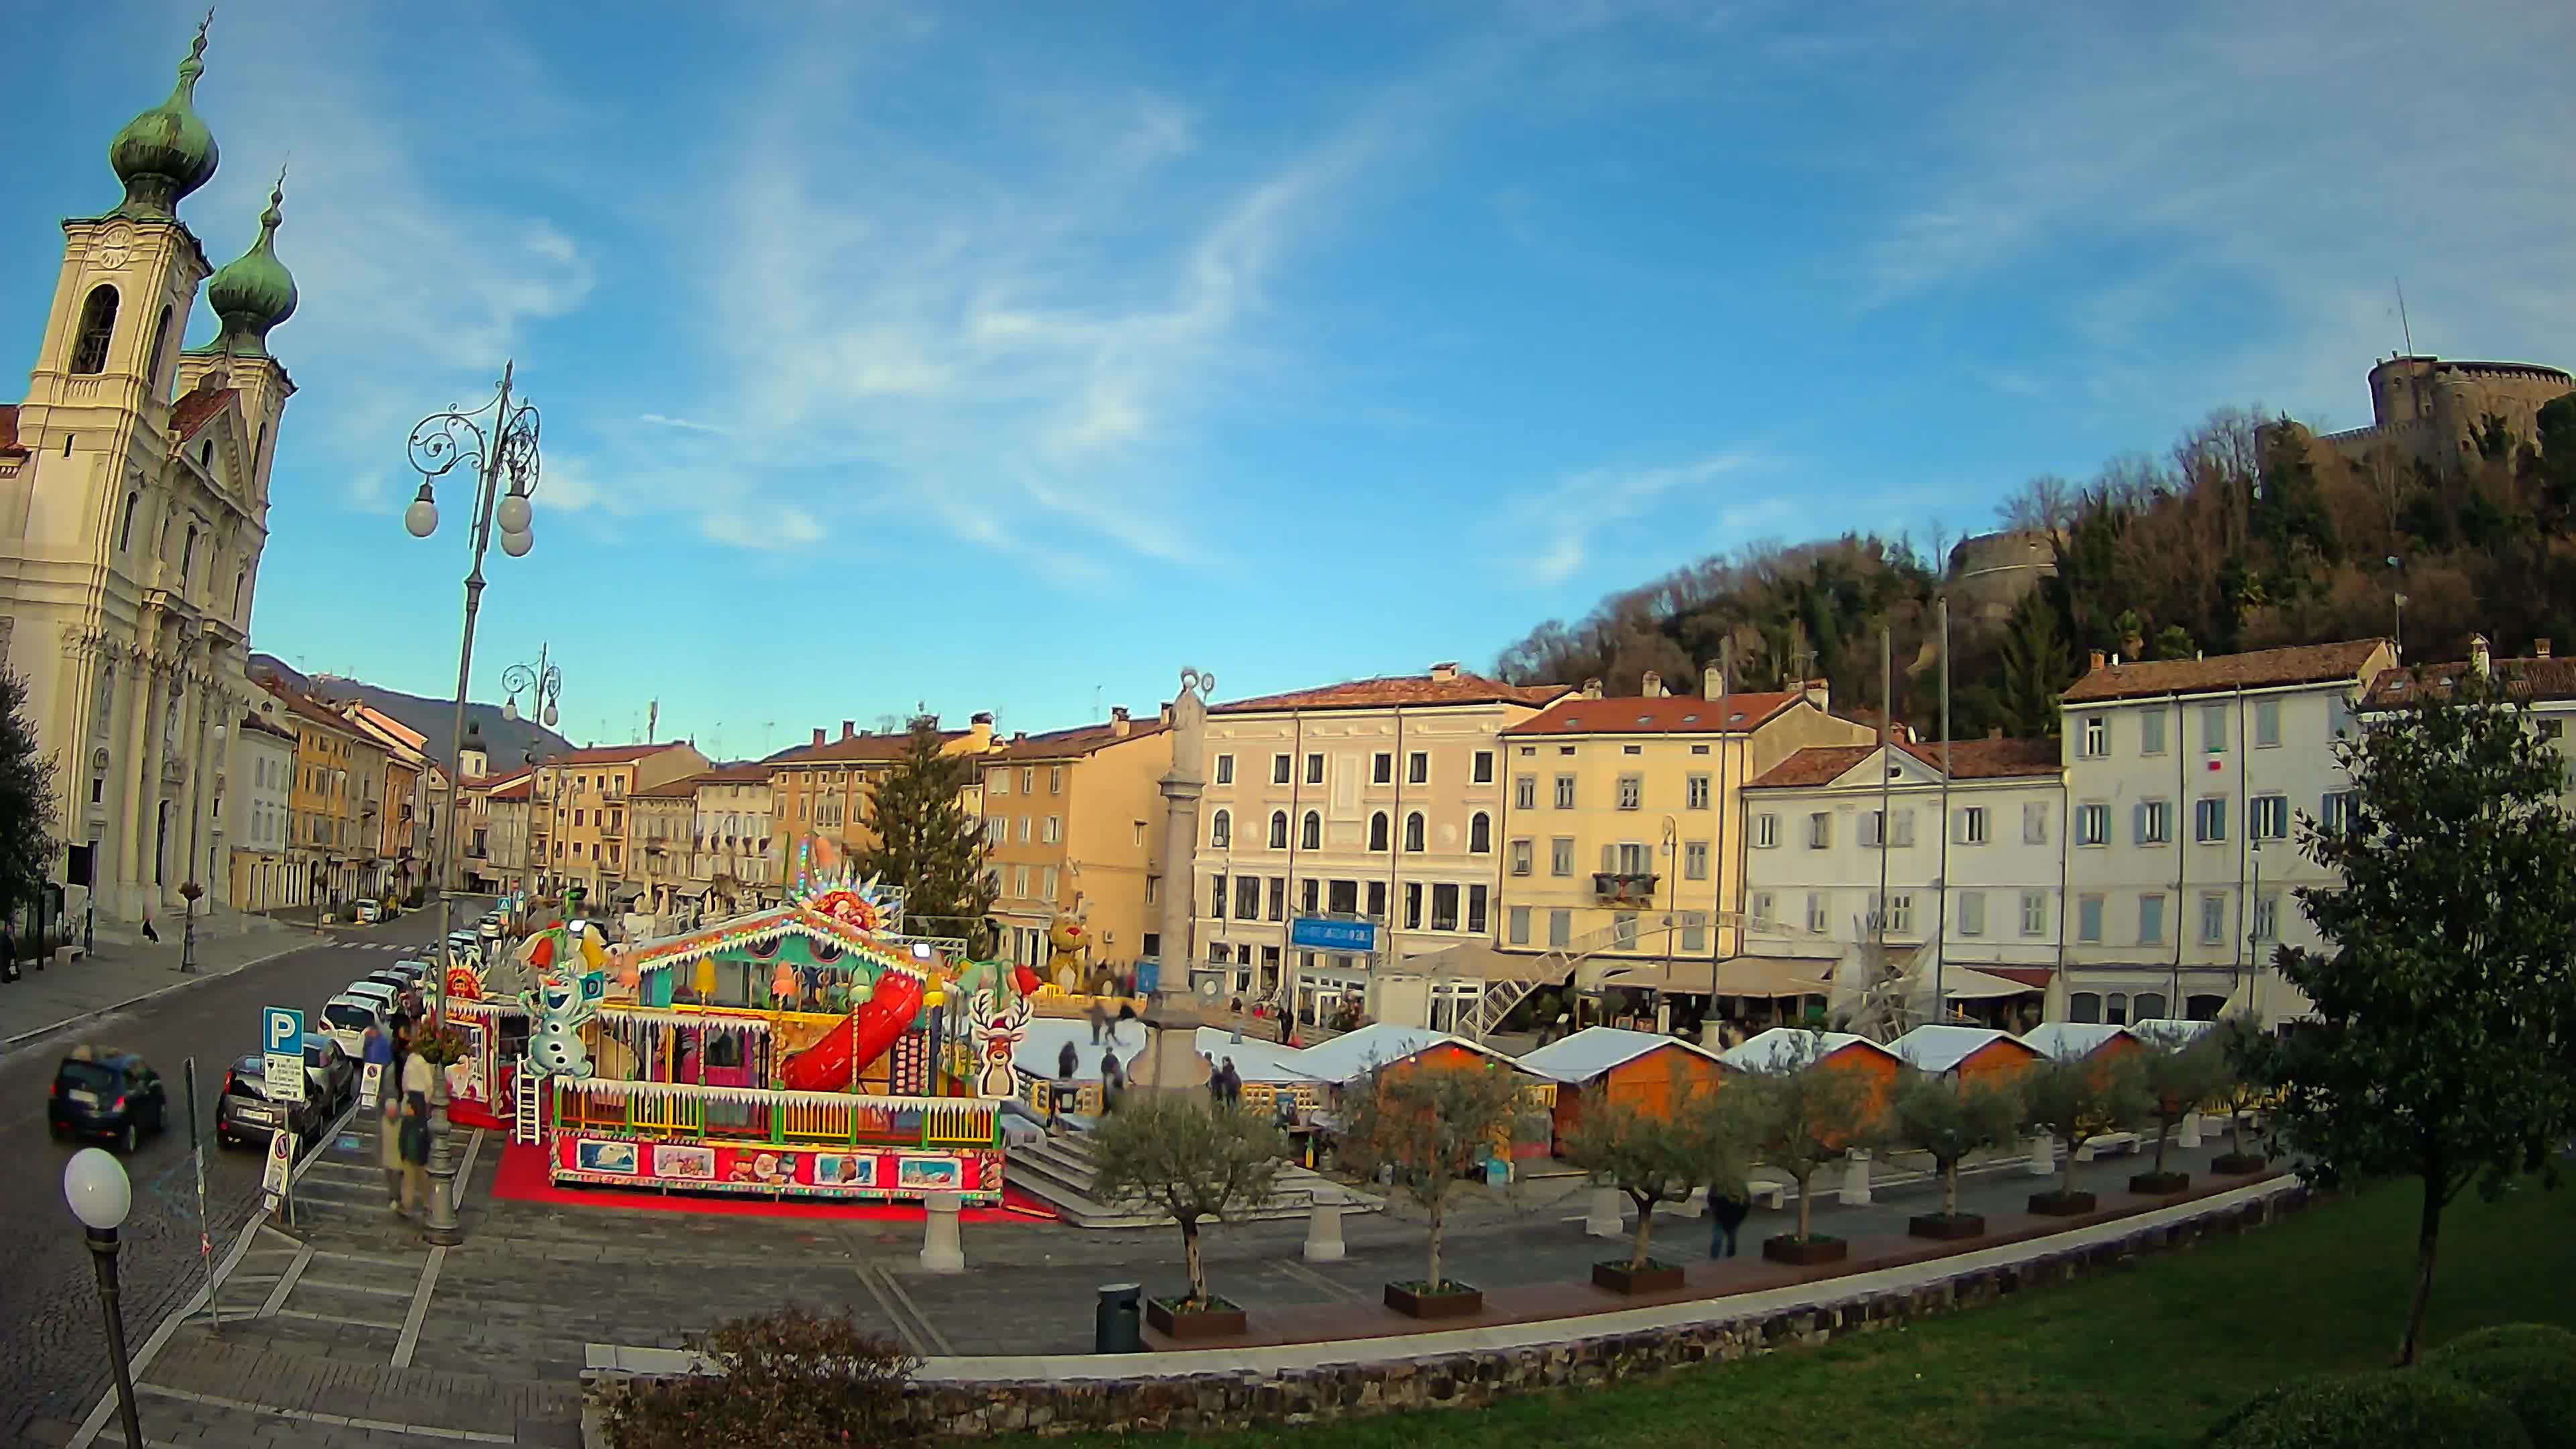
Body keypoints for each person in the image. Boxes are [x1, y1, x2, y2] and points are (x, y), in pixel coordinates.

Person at [397, 1097, 431, 1215]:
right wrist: (402, 1155)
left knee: (423, 1184)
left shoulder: (422, 1123)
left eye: (408, 1107)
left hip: (420, 1159)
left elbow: (427, 1141)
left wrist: (424, 1156)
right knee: (408, 1183)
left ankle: (428, 1205)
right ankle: (407, 1206)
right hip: (408, 1159)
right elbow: (402, 1140)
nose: (406, 1109)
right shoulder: (406, 1122)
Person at [378, 1091, 407, 1212]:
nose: (391, 1112)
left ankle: (397, 1200)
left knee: (396, 1182)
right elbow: (380, 1140)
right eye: (389, 1110)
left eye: (393, 1110)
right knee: (391, 1182)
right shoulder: (383, 1121)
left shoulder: (401, 1123)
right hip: (387, 1159)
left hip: (398, 1160)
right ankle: (394, 1199)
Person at [1707, 1184, 1751, 1260]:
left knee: (1724, 1239)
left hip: (1730, 1218)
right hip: (1724, 1217)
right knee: (1722, 1239)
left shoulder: (1739, 1186)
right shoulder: (1719, 1184)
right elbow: (1711, 1198)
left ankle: (1720, 1258)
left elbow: (1747, 1202)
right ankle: (1720, 1259)